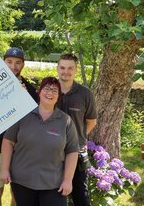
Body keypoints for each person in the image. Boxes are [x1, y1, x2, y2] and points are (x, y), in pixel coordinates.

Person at [0, 77, 79, 206]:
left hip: (54, 183)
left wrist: (68, 180)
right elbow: (8, 141)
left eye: (54, 91)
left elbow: (72, 151)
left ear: (58, 96)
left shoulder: (66, 121)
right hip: (22, 181)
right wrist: (4, 169)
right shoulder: (23, 114)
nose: (50, 93)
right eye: (46, 89)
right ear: (39, 91)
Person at [0, 47, 38, 206]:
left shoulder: (29, 89)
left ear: (23, 64)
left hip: (20, 149)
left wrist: (23, 98)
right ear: (3, 62)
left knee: (17, 192)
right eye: (9, 62)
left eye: (17, 63)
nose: (13, 66)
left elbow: (36, 118)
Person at [56, 53, 97, 206]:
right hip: (52, 152)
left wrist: (77, 138)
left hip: (77, 152)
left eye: (70, 68)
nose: (66, 71)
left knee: (81, 196)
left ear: (76, 70)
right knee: (53, 195)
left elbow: (91, 121)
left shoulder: (85, 94)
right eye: (62, 67)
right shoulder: (49, 90)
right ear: (57, 68)